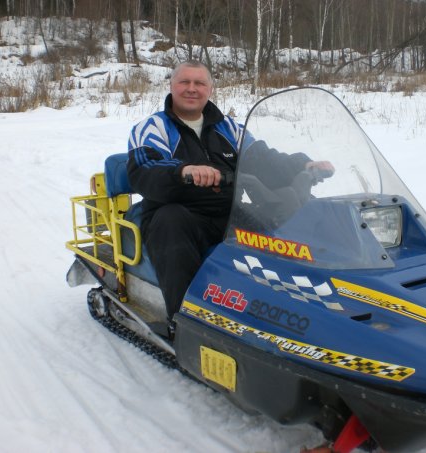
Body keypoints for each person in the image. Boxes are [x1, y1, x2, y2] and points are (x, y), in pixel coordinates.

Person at [127, 60, 333, 338]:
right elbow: (145, 169)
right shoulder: (154, 128)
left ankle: (291, 311)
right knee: (171, 223)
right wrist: (183, 171)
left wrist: (303, 165)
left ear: (210, 89)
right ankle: (184, 322)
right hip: (176, 212)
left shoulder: (228, 129)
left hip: (228, 211)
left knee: (278, 234)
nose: (192, 89)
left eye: (199, 83)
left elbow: (263, 160)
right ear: (172, 86)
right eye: (184, 82)